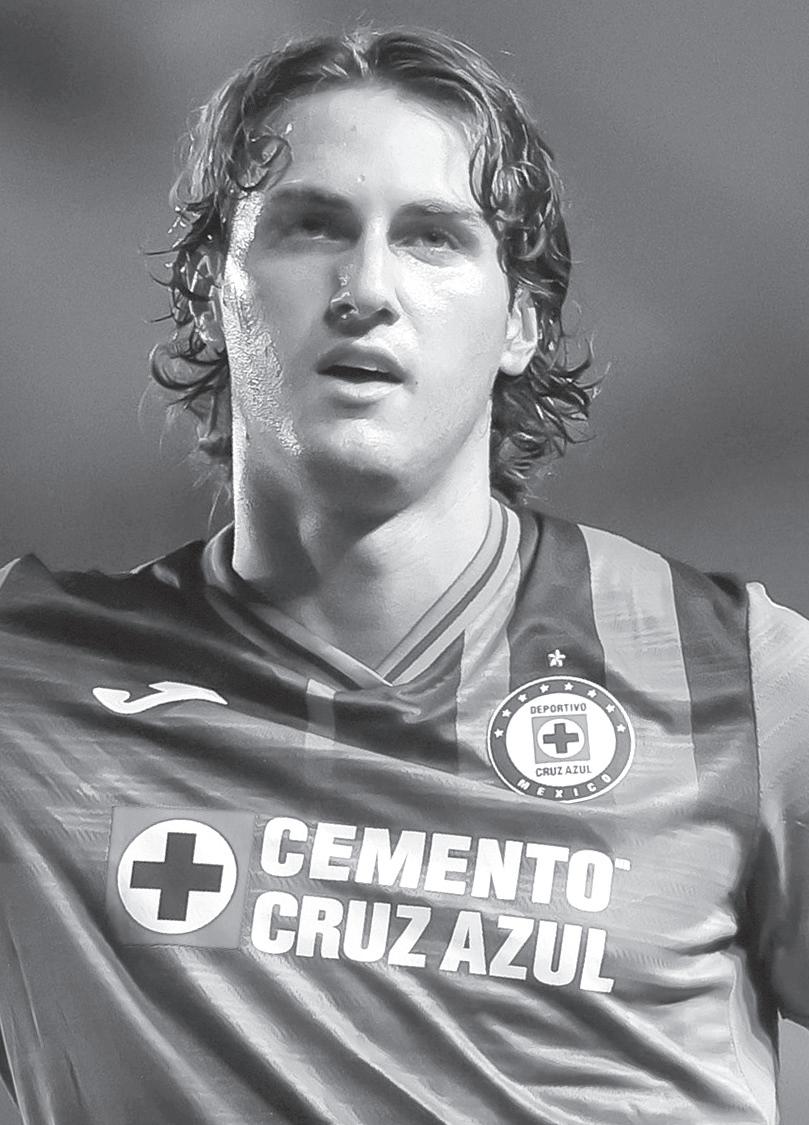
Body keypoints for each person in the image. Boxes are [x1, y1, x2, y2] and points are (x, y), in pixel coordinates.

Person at [1, 25, 807, 1125]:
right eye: (309, 227)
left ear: (521, 320)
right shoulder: (32, 688)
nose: (366, 287)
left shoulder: (736, 683)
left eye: (432, 238)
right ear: (208, 293)